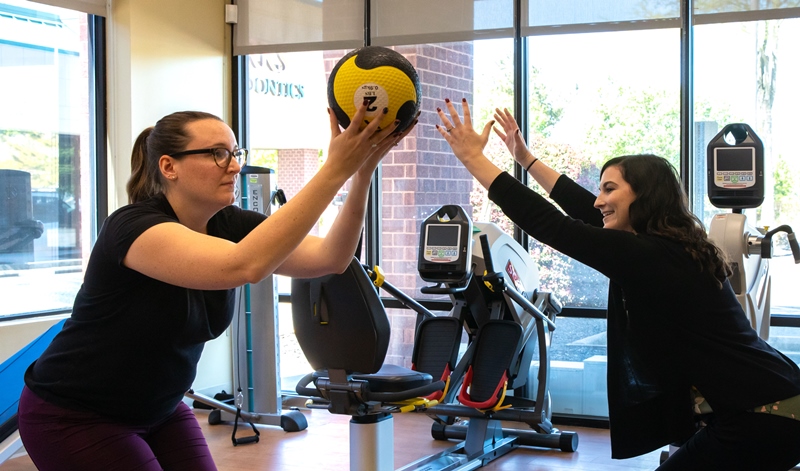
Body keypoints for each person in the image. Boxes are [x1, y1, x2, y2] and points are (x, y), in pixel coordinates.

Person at [17, 102, 416, 471]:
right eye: (217, 153)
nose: (234, 166)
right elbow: (244, 266)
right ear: (169, 166)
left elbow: (331, 257)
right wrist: (333, 169)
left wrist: (361, 173)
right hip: (73, 414)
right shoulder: (133, 228)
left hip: (161, 408)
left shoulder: (230, 223)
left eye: (235, 153)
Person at [436, 99, 800, 470]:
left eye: (610, 189)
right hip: (761, 404)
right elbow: (584, 208)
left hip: (764, 411)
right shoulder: (666, 247)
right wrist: (526, 159)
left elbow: (555, 227)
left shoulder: (651, 255)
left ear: (643, 195)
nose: (599, 201)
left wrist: (473, 159)